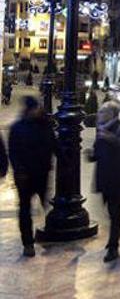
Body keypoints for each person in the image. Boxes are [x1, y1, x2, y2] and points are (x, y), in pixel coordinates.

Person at [7, 96, 55, 258]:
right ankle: (28, 243)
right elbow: (13, 153)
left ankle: (48, 232)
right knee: (25, 209)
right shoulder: (18, 128)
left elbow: (53, 144)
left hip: (42, 174)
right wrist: (19, 170)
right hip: (25, 177)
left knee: (46, 204)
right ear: (29, 109)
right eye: (36, 107)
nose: (39, 110)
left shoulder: (45, 125)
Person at [89, 102, 120, 262]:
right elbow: (97, 150)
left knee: (114, 210)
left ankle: (113, 247)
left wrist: (111, 138)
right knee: (107, 209)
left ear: (112, 114)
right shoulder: (101, 130)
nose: (99, 115)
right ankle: (117, 229)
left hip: (117, 179)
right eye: (99, 112)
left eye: (103, 112)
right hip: (104, 178)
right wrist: (91, 155)